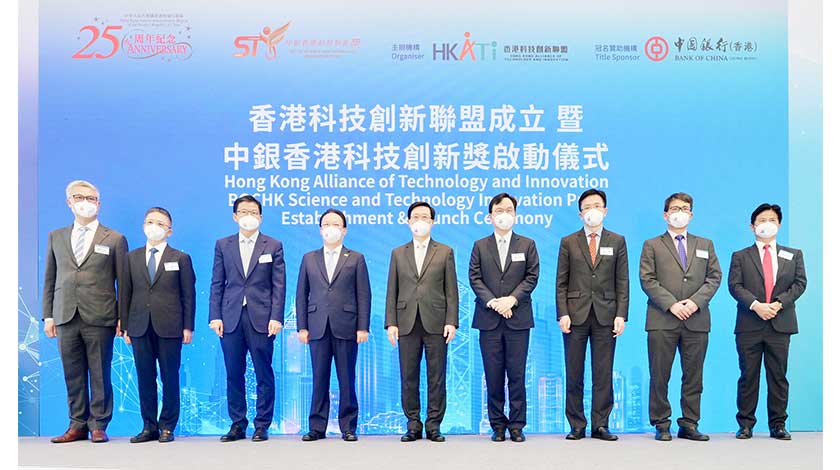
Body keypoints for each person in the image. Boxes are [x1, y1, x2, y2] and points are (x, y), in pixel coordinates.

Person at [42, 180, 128, 443]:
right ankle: (77, 424)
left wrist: (122, 317)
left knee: (100, 372)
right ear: (69, 202)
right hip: (65, 313)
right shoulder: (56, 236)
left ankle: (98, 424)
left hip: (101, 315)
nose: (85, 203)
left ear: (98, 204)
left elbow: (123, 282)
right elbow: (50, 278)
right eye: (79, 197)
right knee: (72, 373)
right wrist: (48, 315)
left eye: (91, 198)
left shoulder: (114, 238)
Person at [640, 192, 721, 441]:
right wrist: (672, 305)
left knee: (694, 376)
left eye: (685, 208)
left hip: (696, 320)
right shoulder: (652, 245)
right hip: (662, 318)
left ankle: (689, 423)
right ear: (666, 215)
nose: (680, 213)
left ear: (691, 215)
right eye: (675, 208)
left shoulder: (705, 244)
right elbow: (647, 279)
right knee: (660, 375)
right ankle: (661, 423)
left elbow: (714, 277)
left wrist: (694, 303)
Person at [209, 195, 285, 442]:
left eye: (253, 212)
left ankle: (262, 424)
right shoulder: (223, 245)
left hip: (262, 318)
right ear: (235, 216)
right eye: (243, 211)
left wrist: (276, 317)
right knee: (234, 373)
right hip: (230, 317)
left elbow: (278, 285)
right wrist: (215, 316)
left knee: (264, 373)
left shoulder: (273, 245)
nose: (248, 216)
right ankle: (237, 424)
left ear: (260, 217)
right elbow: (217, 282)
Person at [728, 203, 807, 440]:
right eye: (762, 220)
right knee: (748, 376)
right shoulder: (740, 256)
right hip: (749, 324)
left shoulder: (793, 255)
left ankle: (778, 424)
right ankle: (745, 424)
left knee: (778, 376)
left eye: (772, 220)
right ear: (752, 226)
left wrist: (778, 304)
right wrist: (756, 305)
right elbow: (735, 286)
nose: (767, 224)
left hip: (780, 323)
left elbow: (800, 283)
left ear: (779, 225)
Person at [556, 189, 628, 441]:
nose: (592, 211)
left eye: (597, 206)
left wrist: (621, 314)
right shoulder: (568, 241)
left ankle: (600, 424)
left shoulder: (617, 241)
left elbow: (622, 281)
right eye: (587, 207)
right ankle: (576, 424)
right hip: (575, 316)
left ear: (605, 211)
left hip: (606, 315)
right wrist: (562, 313)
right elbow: (561, 282)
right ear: (580, 214)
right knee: (574, 372)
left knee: (603, 373)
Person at [120, 207, 196, 443]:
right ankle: (148, 426)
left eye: (160, 224)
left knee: (170, 377)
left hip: (170, 326)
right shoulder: (131, 257)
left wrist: (188, 326)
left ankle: (167, 426)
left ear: (169, 231)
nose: (154, 227)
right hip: (139, 325)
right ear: (144, 226)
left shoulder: (180, 258)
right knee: (145, 377)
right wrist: (124, 325)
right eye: (150, 222)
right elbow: (125, 292)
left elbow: (188, 295)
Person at [385, 201, 458, 443]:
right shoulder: (398, 253)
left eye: (425, 217)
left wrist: (451, 321)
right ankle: (413, 425)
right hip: (406, 321)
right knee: (409, 377)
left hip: (436, 321)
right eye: (415, 217)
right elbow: (392, 290)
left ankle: (434, 425)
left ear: (432, 222)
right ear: (408, 222)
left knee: (436, 377)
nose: (420, 221)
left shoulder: (445, 251)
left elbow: (451, 290)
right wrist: (391, 322)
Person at [296, 209, 371, 442]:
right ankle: (316, 427)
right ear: (320, 230)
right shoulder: (309, 258)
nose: (331, 228)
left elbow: (363, 294)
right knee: (319, 378)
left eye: (336, 224)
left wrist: (363, 327)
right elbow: (301, 294)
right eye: (326, 224)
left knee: (346, 379)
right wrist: (302, 327)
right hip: (317, 326)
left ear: (344, 230)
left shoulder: (356, 258)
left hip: (347, 326)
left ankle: (348, 427)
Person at [469, 193, 539, 443]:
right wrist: (494, 303)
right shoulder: (480, 245)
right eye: (499, 210)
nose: (504, 215)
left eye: (509, 210)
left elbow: (531, 277)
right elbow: (475, 278)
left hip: (518, 319)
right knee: (493, 375)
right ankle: (497, 425)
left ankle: (517, 425)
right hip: (489, 319)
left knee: (517, 375)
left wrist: (511, 300)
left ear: (515, 215)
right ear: (490, 216)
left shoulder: (527, 244)